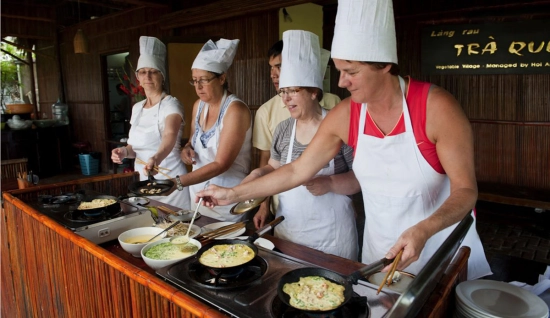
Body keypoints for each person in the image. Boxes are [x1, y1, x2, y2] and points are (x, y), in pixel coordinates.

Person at [197, 0, 492, 279]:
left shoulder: (435, 108)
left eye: (351, 71)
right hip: (380, 251)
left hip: (440, 248)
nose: (341, 82)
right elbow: (298, 170)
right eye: (339, 70)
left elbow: (466, 190)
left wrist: (425, 229)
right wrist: (234, 193)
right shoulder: (346, 115)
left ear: (384, 65)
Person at [244, 30, 358, 260]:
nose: (285, 99)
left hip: (332, 239)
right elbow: (275, 167)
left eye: (293, 91)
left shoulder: (340, 126)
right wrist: (259, 172)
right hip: (290, 234)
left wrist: (331, 183)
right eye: (283, 92)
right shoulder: (283, 130)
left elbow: (360, 178)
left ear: (314, 92)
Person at [253, 40, 342, 219]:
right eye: (270, 68)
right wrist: (263, 204)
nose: (273, 74)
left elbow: (355, 172)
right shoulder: (269, 114)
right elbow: (269, 164)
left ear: (313, 92)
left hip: (331, 216)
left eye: (278, 66)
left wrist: (335, 186)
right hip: (286, 211)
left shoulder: (336, 109)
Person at [111, 36, 191, 209]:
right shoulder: (137, 107)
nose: (147, 76)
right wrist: (123, 151)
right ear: (137, 76)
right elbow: (134, 148)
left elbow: (169, 136)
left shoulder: (171, 104)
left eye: (153, 71)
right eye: (143, 71)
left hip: (170, 182)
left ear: (162, 76)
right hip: (144, 183)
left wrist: (156, 157)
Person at [177, 38, 252, 222]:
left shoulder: (235, 110)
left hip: (227, 200)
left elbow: (222, 164)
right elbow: (192, 140)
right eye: (194, 81)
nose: (198, 87)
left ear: (222, 78)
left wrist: (178, 182)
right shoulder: (198, 106)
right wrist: (186, 148)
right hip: (199, 196)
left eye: (204, 80)